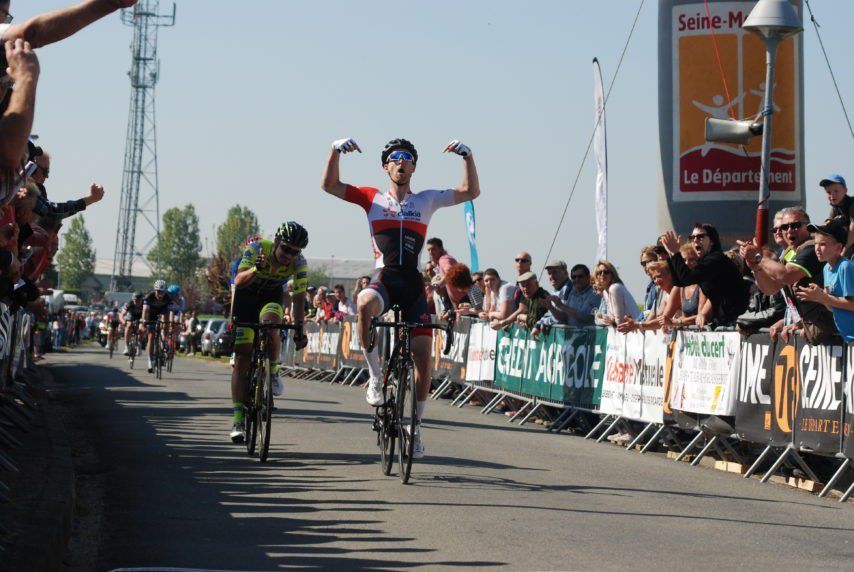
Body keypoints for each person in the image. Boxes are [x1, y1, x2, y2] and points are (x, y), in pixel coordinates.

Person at [322, 136, 479, 459]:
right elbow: (330, 185)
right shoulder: (372, 198)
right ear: (386, 167)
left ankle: (416, 428)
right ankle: (375, 377)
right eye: (395, 158)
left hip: (412, 285)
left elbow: (470, 191)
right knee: (364, 303)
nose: (401, 162)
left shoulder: (426, 200)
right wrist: (335, 151)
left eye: (407, 158)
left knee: (423, 358)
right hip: (386, 277)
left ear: (414, 167)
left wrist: (467, 156)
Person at [229, 222, 309, 442]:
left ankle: (273, 371)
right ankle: (238, 419)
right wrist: (256, 269)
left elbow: (298, 299)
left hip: (270, 298)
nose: (289, 255)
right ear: (276, 242)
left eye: (295, 252)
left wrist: (299, 330)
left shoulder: (300, 263)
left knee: (272, 324)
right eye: (286, 248)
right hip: (246, 298)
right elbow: (238, 281)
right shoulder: (257, 249)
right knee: (242, 357)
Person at [739, 207, 837, 344]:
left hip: (833, 327)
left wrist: (758, 257)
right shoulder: (788, 253)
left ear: (807, 227)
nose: (789, 230)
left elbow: (787, 276)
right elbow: (771, 288)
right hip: (814, 327)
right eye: (785, 227)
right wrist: (756, 268)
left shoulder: (811, 248)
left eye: (795, 225)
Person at [662, 223, 749, 326]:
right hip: (725, 320)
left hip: (737, 321)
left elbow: (687, 278)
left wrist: (676, 253)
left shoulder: (716, 259)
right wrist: (671, 254)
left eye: (700, 236)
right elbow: (679, 282)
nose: (695, 240)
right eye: (692, 237)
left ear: (712, 241)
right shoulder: (704, 261)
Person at [796, 219, 854, 342]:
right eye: (815, 243)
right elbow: (833, 308)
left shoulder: (845, 266)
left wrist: (824, 297)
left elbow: (852, 305)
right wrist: (820, 298)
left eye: (823, 244)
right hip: (847, 337)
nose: (817, 248)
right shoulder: (826, 268)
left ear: (838, 247)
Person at [532, 262, 599, 339]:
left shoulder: (594, 294)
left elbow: (584, 316)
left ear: (588, 277)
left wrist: (561, 305)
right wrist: (551, 308)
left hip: (588, 340)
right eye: (574, 277)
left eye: (580, 276)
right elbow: (563, 319)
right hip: (571, 340)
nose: (577, 279)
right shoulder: (572, 292)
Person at [593, 260, 641, 326]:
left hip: (635, 329)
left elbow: (619, 322)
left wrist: (609, 321)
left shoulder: (614, 288)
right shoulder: (605, 292)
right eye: (599, 272)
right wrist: (607, 320)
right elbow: (608, 319)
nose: (602, 274)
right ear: (596, 276)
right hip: (625, 330)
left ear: (612, 274)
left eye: (606, 272)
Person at [141, 280, 173, 373]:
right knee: (151, 336)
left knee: (166, 324)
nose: (160, 294)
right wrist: (144, 321)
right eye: (158, 292)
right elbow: (145, 311)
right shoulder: (149, 297)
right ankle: (150, 360)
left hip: (163, 311)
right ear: (154, 290)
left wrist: (169, 324)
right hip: (151, 313)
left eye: (163, 292)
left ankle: (164, 343)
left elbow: (170, 312)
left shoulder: (168, 298)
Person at [820, 174, 854, 257]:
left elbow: (852, 229)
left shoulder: (852, 204)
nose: (832, 195)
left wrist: (845, 249)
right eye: (828, 192)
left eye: (836, 191)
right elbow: (826, 226)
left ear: (845, 190)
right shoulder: (836, 207)